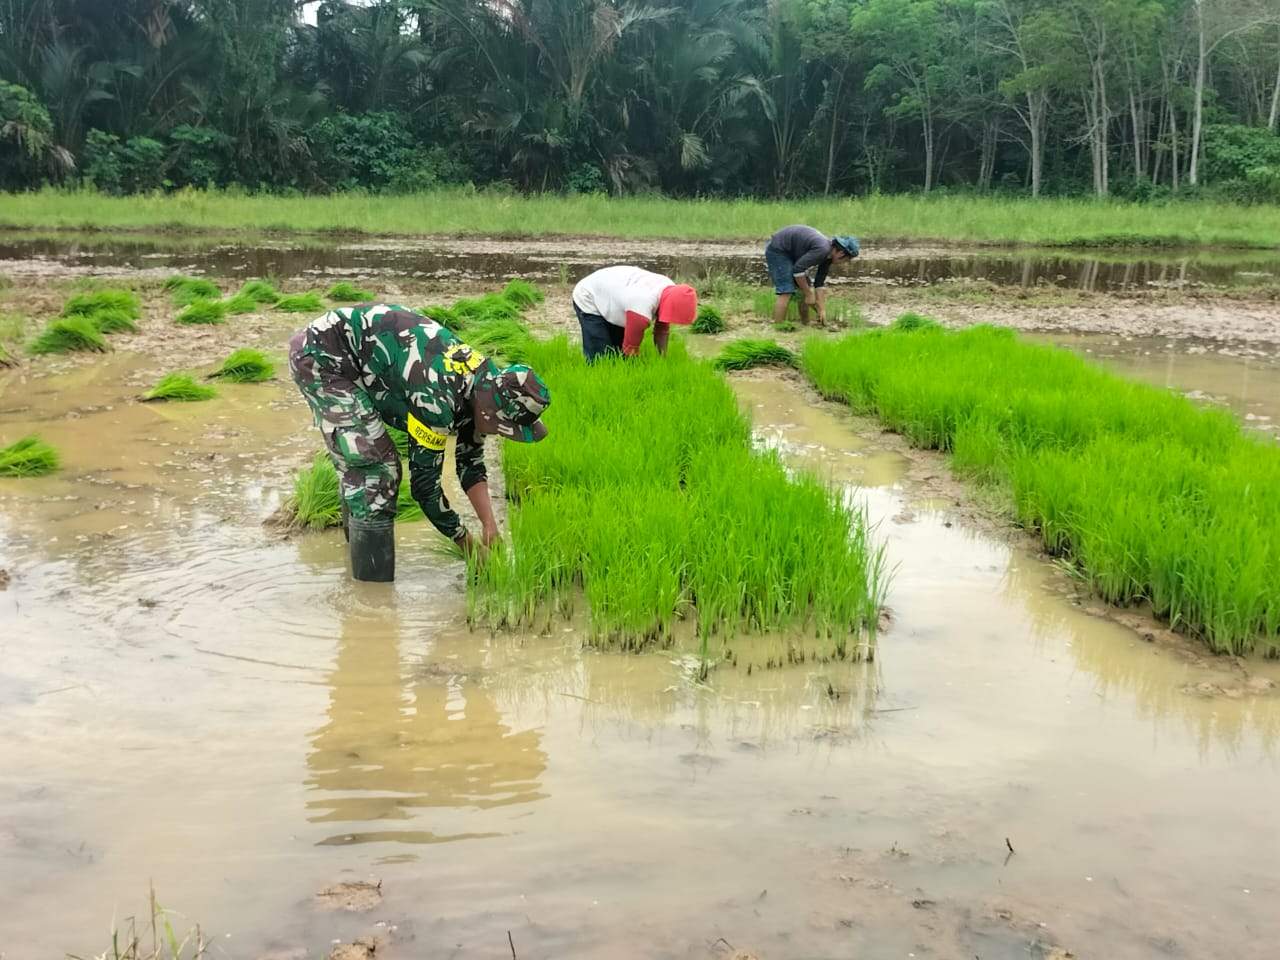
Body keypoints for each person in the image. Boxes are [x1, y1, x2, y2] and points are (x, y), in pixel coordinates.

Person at [288, 302, 551, 582]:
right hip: (323, 356)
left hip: (359, 359)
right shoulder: (438, 402)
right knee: (376, 470)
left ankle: (357, 552)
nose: (503, 432)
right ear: (490, 410)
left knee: (365, 462)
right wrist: (467, 545)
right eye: (505, 427)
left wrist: (489, 526)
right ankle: (371, 596)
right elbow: (425, 489)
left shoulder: (484, 384)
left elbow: (470, 460)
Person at [571, 265, 697, 362]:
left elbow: (662, 330)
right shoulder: (641, 307)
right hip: (589, 295)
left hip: (616, 295)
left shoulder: (670, 290)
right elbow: (630, 348)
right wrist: (635, 368)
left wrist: (662, 360)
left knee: (616, 352)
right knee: (601, 357)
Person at [764, 226, 859, 326]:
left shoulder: (828, 256)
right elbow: (798, 270)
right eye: (846, 260)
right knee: (786, 290)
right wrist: (809, 294)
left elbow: (819, 283)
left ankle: (805, 324)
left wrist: (822, 309)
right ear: (841, 253)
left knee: (805, 287)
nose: (844, 263)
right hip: (779, 250)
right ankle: (779, 327)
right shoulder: (822, 250)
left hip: (792, 253)